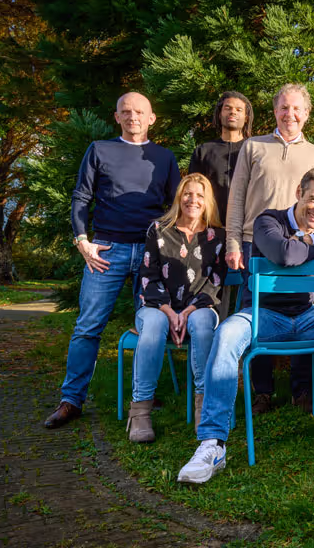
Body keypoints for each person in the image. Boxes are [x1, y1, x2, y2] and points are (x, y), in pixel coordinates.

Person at [176, 168, 314, 484]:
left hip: (310, 316)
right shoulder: (268, 220)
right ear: (299, 193)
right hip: (263, 317)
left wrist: (310, 238)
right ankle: (213, 443)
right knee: (226, 335)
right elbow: (283, 253)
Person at [44, 92, 180, 429]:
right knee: (88, 327)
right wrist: (82, 241)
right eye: (126, 112)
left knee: (149, 328)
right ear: (116, 117)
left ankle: (143, 395)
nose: (133, 116)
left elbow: (174, 207)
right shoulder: (99, 150)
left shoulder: (164, 157)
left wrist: (170, 248)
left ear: (152, 118)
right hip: (105, 251)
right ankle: (71, 400)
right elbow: (81, 197)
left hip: (151, 252)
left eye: (140, 112)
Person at [224, 83, 314, 413]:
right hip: (253, 244)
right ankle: (262, 391)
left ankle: (301, 390)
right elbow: (237, 197)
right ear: (275, 112)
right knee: (254, 315)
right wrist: (232, 241)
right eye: (284, 107)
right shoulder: (253, 147)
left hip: (300, 246)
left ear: (307, 114)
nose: (290, 114)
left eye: (296, 108)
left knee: (303, 312)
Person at [127, 173, 226, 442]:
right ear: (179, 197)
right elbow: (148, 275)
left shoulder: (217, 236)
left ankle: (204, 410)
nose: (193, 200)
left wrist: (188, 312)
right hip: (156, 307)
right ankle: (140, 412)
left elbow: (215, 281)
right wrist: (169, 311)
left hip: (198, 307)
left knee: (204, 324)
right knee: (155, 326)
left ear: (208, 203)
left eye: (200, 196)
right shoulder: (158, 229)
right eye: (188, 193)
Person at [188, 91, 254, 224]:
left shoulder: (254, 150)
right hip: (210, 227)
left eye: (239, 109)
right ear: (219, 114)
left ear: (246, 117)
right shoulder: (203, 151)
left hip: (246, 228)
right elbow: (193, 190)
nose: (233, 112)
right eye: (227, 108)